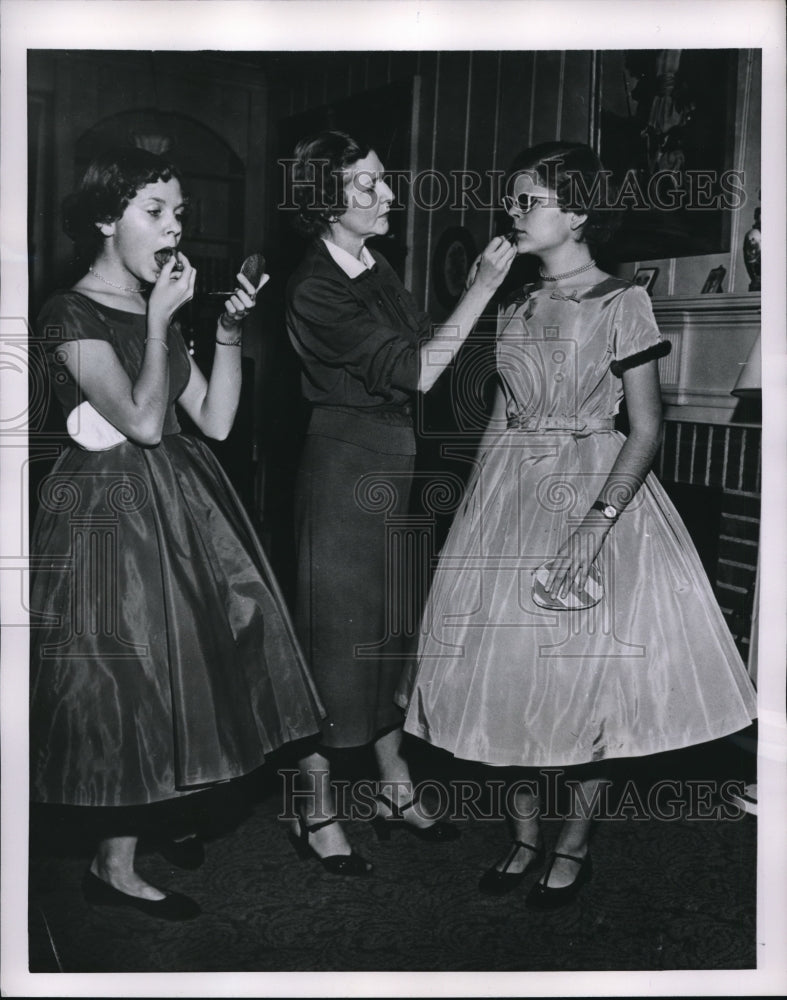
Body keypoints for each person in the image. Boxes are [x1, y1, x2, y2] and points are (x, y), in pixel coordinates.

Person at [396, 141, 758, 908]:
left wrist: (595, 525)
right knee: (511, 677)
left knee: (589, 684)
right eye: (513, 200)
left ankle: (573, 843)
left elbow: (647, 430)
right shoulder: (517, 303)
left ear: (579, 212)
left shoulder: (621, 302)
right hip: (508, 499)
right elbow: (501, 415)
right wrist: (471, 523)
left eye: (529, 200)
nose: (513, 212)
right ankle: (524, 838)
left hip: (594, 496)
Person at [29, 147, 325, 919]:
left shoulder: (156, 303)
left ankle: (129, 847)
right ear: (105, 219)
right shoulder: (68, 311)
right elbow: (144, 421)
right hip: (108, 513)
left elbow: (216, 421)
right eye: (153, 212)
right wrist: (162, 321)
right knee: (122, 680)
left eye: (180, 213)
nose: (173, 228)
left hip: (180, 509)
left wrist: (223, 330)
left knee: (178, 670)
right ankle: (114, 862)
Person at [284, 130, 515, 874]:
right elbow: (418, 370)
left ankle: (391, 785)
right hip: (344, 470)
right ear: (325, 196)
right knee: (336, 645)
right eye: (365, 186)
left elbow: (431, 347)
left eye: (383, 182)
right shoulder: (314, 285)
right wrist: (481, 285)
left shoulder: (374, 265)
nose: (387, 195)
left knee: (389, 633)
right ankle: (313, 805)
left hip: (394, 462)